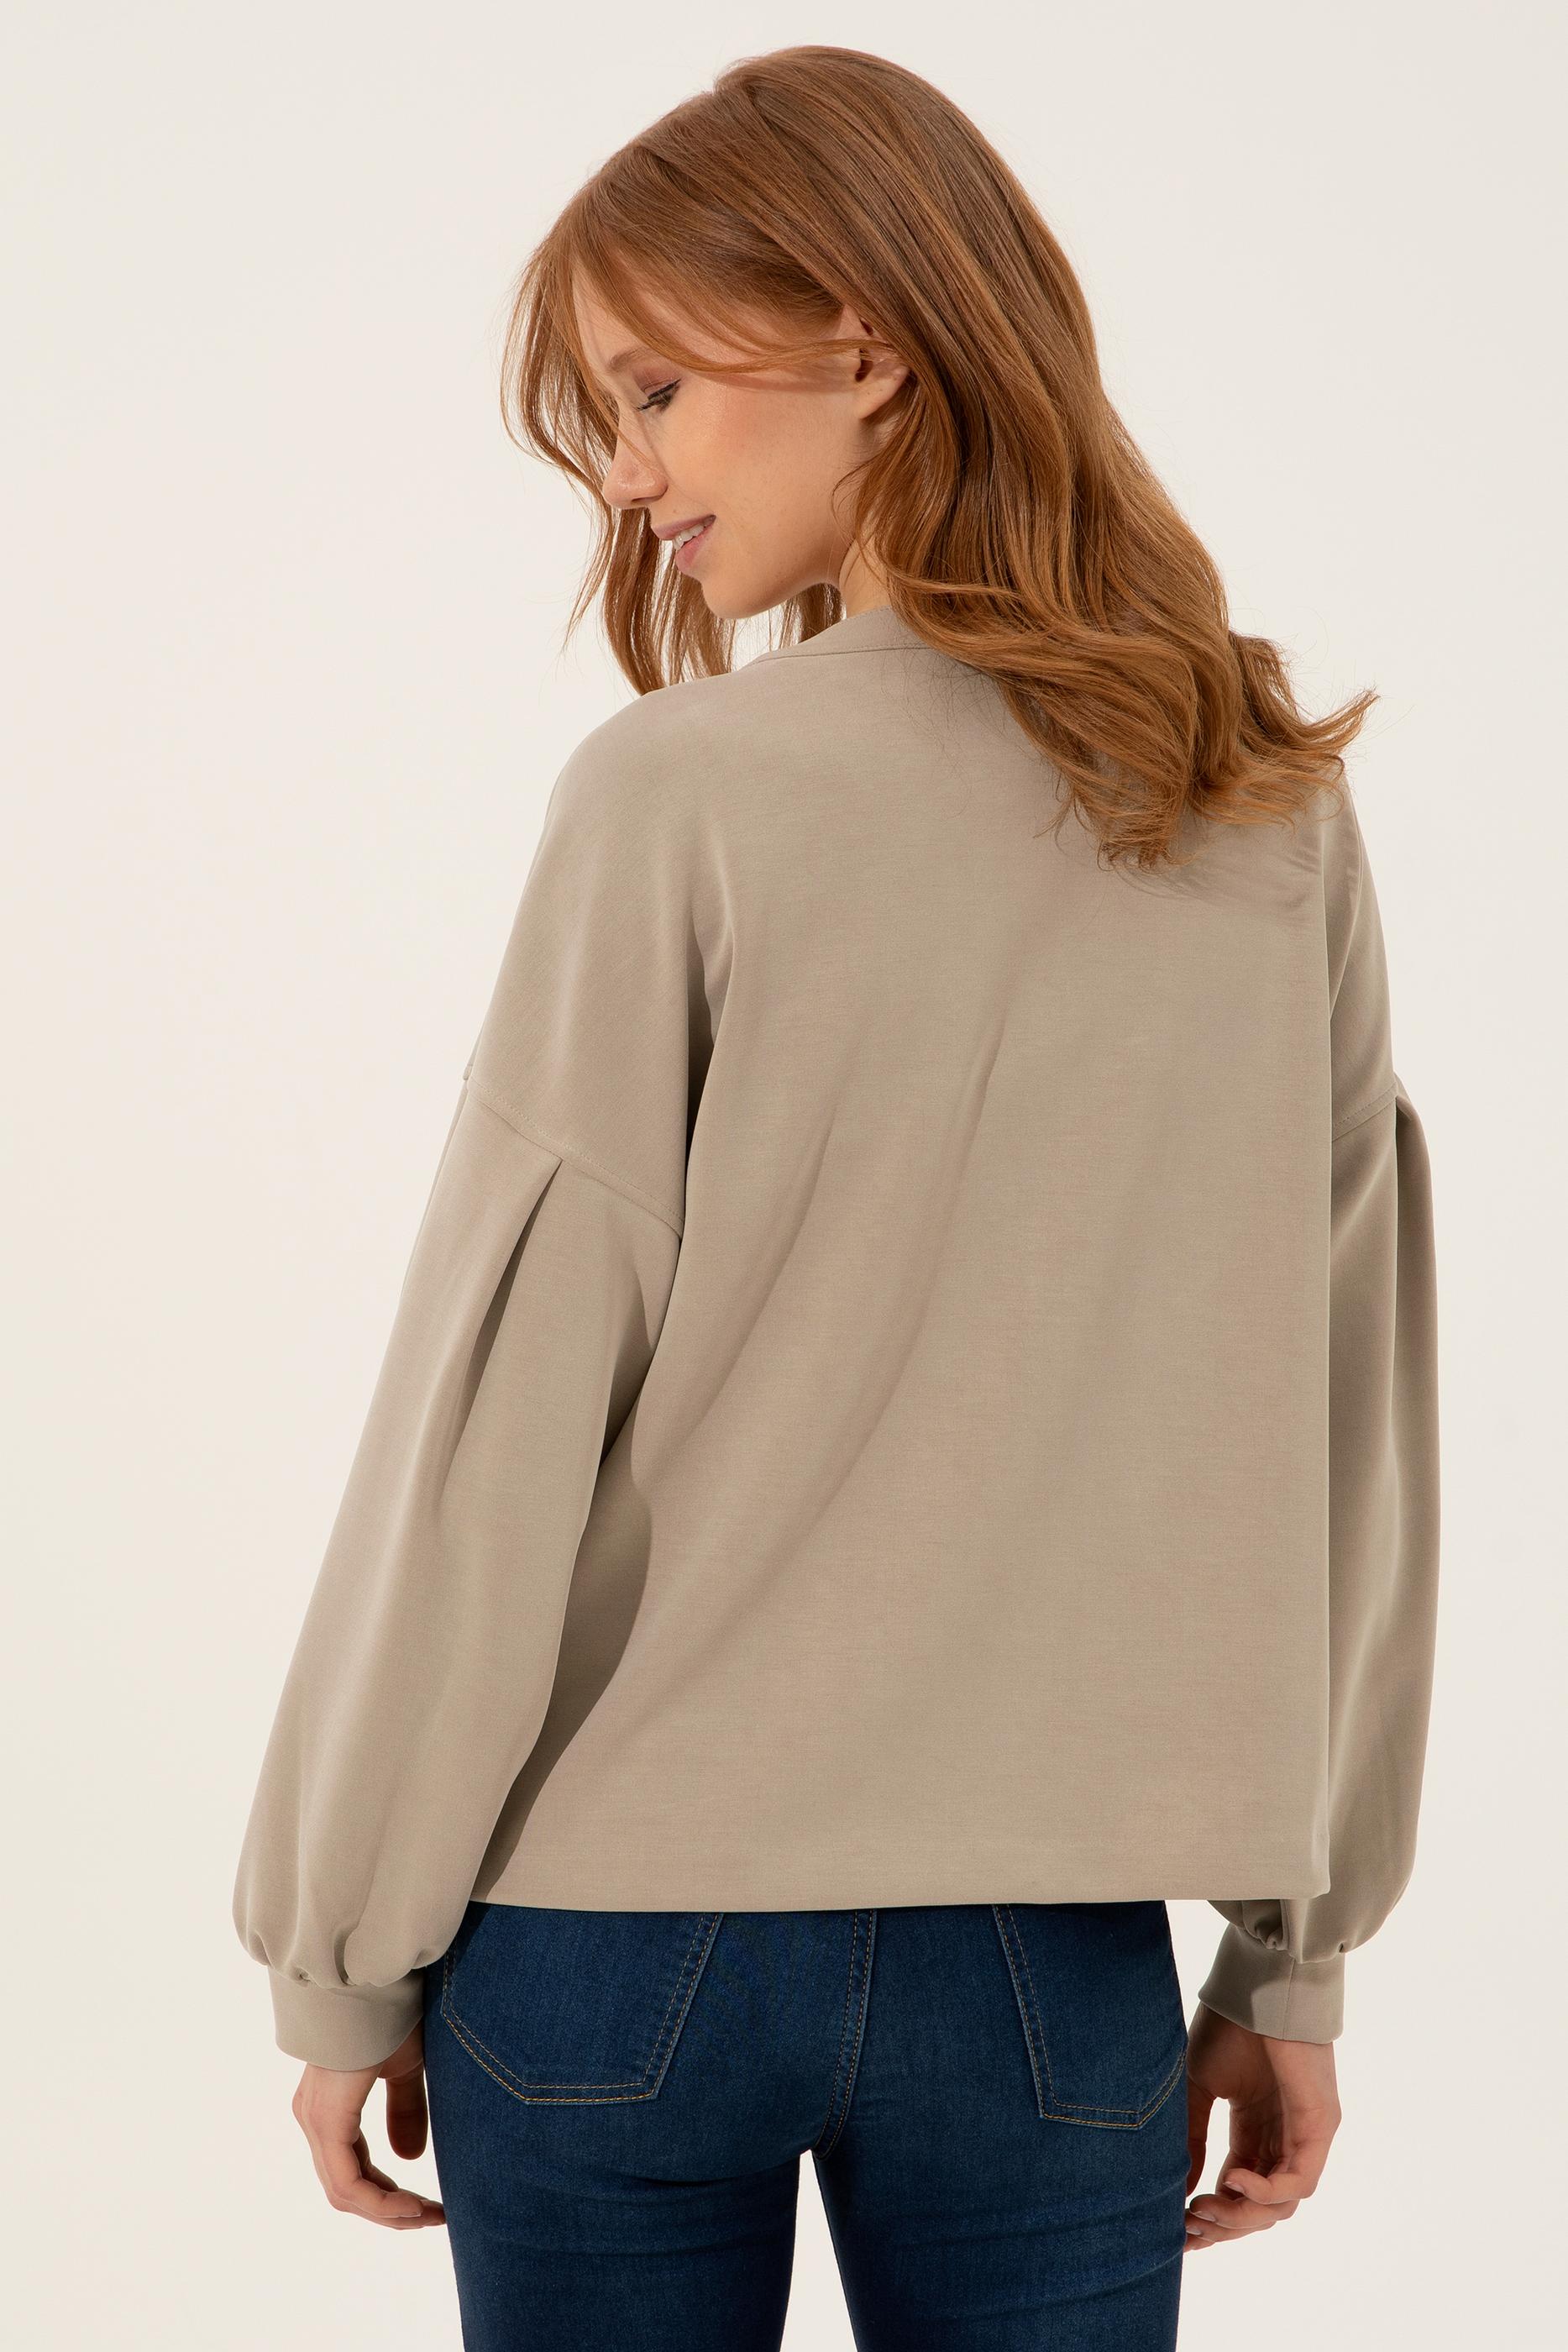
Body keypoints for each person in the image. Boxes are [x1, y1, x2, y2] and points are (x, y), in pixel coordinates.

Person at [232, 44, 1440, 2351]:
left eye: (654, 390)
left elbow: (496, 1417)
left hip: (614, 1944)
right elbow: (1344, 1419)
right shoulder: (1254, 798)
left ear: (868, 340)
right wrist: (1297, 1954)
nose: (626, 474)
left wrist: (340, 1952)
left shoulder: (678, 795)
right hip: (1050, 1967)